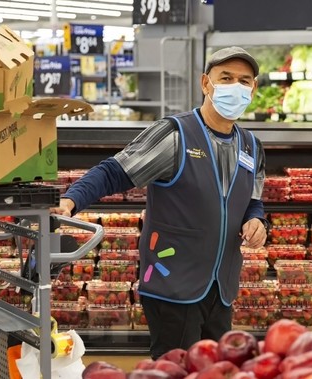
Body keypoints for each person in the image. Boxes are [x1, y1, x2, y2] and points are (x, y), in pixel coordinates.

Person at [51, 46, 268, 359]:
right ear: (206, 83)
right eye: (227, 78)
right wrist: (71, 200)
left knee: (221, 368)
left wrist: (257, 220)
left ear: (253, 88)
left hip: (221, 288)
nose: (236, 86)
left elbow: (252, 200)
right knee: (175, 368)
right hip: (173, 285)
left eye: (244, 81)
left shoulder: (251, 145)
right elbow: (114, 171)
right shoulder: (175, 135)